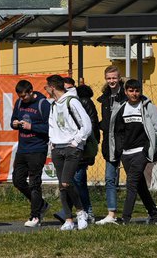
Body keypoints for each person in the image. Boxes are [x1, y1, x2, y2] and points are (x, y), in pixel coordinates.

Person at [109, 79, 157, 225]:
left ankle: (125, 218)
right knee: (140, 186)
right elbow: (117, 132)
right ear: (125, 92)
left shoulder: (148, 107)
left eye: (137, 90)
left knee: (131, 183)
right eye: (131, 91)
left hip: (141, 152)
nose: (134, 93)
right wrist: (119, 150)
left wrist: (148, 151)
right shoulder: (121, 108)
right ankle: (154, 215)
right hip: (126, 154)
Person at [45, 74, 92, 231]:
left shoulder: (72, 101)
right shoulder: (53, 105)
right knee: (62, 186)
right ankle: (68, 220)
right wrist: (52, 143)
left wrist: (76, 142)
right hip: (57, 148)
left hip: (71, 147)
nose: (45, 89)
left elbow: (86, 124)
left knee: (67, 182)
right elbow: (52, 126)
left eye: (47, 87)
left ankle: (81, 212)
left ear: (52, 87)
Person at [54, 81, 100, 224]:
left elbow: (90, 126)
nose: (65, 91)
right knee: (68, 182)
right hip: (66, 147)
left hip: (80, 148)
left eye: (68, 88)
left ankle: (87, 211)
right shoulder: (60, 104)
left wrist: (78, 142)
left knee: (78, 181)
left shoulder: (81, 102)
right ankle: (69, 212)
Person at [10, 80, 51, 227]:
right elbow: (12, 120)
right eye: (20, 96)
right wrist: (15, 123)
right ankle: (41, 204)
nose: (22, 99)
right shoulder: (19, 103)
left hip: (37, 149)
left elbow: (49, 128)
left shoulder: (43, 104)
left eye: (24, 96)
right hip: (23, 148)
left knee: (34, 183)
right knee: (17, 180)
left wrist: (31, 126)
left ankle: (36, 216)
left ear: (31, 91)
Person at [95, 65, 126, 225]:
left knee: (136, 180)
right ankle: (111, 213)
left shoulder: (128, 96)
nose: (112, 81)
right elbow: (106, 122)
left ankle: (151, 209)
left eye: (114, 78)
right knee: (109, 179)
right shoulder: (104, 99)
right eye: (109, 78)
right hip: (110, 144)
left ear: (119, 78)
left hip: (127, 143)